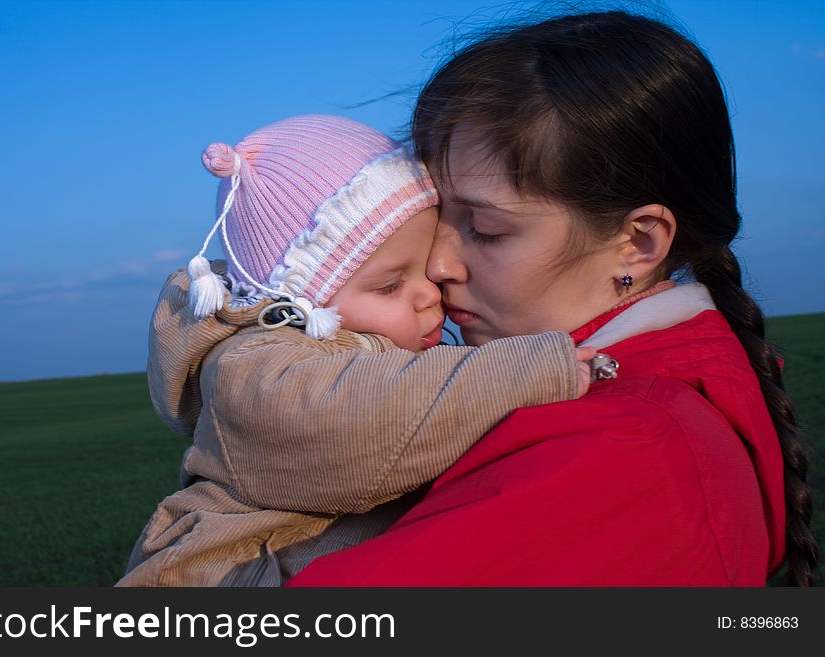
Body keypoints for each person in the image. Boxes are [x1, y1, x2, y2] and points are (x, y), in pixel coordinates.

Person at [287, 11, 818, 586]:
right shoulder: (629, 406)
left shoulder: (624, 452)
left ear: (638, 243)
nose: (438, 265)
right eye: (438, 217)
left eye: (486, 229)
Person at [118, 115, 595, 587]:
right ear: (300, 303)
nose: (431, 294)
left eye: (424, 269)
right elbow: (358, 419)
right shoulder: (254, 369)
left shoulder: (365, 351)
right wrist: (529, 371)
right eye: (390, 285)